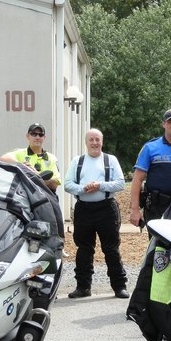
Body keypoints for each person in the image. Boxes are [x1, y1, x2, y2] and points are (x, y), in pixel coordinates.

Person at [64, 128, 129, 299]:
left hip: (107, 209)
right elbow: (67, 184)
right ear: (86, 143)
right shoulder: (77, 161)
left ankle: (119, 286)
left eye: (97, 139)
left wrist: (100, 185)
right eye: (91, 140)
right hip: (83, 210)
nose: (94, 143)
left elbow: (120, 183)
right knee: (84, 249)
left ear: (102, 141)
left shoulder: (110, 160)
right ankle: (83, 287)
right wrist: (83, 188)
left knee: (111, 249)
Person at [1, 123, 61, 193]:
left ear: (44, 138)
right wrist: (21, 166)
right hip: (25, 195)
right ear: (27, 136)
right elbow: (3, 158)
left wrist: (36, 175)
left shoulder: (51, 158)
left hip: (46, 196)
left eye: (40, 135)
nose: (37, 137)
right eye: (34, 134)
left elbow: (54, 185)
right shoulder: (21, 153)